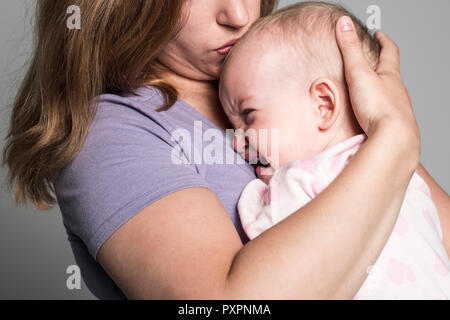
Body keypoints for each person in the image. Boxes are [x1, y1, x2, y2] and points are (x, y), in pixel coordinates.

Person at [2, 0, 448, 299]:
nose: (239, 14)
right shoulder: (112, 132)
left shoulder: (286, 67)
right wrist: (393, 137)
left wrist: (392, 140)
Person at [219, 2, 450, 299]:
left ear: (323, 105)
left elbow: (260, 251)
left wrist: (257, 193)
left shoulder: (298, 180)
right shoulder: (407, 174)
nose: (237, 142)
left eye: (248, 115)